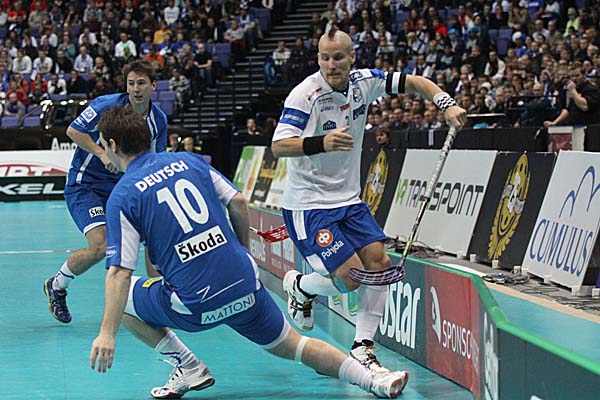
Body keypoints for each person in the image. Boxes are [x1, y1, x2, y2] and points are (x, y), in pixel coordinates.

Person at [89, 106, 409, 400]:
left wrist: (106, 333)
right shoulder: (189, 161)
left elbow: (119, 273)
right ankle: (374, 381)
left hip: (196, 305)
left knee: (124, 301)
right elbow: (238, 202)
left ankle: (188, 366)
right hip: (245, 284)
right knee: (296, 345)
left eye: (102, 144)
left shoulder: (123, 196)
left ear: (113, 145)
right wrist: (242, 251)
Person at [271, 28, 466, 373]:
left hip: (348, 199)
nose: (331, 65)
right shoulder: (305, 95)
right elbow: (279, 146)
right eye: (325, 58)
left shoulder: (365, 82)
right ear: (318, 59)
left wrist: (445, 103)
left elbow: (414, 82)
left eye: (338, 57)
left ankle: (363, 347)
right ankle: (300, 286)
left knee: (379, 263)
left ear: (352, 58)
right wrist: (323, 143)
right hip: (309, 204)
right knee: (350, 277)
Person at [44, 60, 168, 324]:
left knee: (154, 235)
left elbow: (155, 159)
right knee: (101, 246)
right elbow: (73, 131)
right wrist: (101, 154)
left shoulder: (158, 121)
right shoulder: (106, 105)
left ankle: (159, 302)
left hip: (123, 188)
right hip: (86, 185)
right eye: (131, 83)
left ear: (153, 86)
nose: (136, 89)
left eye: (141, 83)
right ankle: (56, 285)